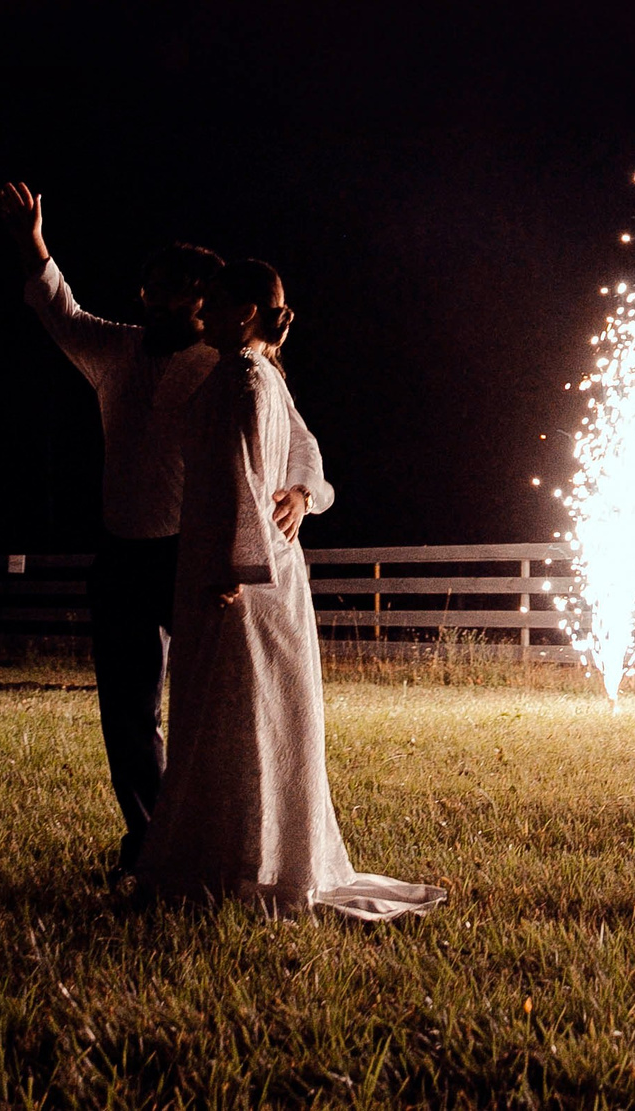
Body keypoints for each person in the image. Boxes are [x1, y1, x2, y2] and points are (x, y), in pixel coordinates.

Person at [136, 259, 445, 921]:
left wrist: (242, 558)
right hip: (240, 572)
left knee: (243, 714)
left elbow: (245, 477)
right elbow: (278, 461)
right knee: (226, 715)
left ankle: (248, 860)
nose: (201, 313)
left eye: (214, 302)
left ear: (244, 312)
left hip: (239, 582)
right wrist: (294, 500)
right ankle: (230, 851)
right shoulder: (246, 375)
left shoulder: (249, 380)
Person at [0, 180, 223, 866]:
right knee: (127, 709)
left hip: (193, 554)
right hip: (122, 554)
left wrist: (301, 492)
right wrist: (33, 241)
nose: (150, 293)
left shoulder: (220, 367)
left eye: (167, 285)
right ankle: (150, 835)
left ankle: (214, 831)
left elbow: (284, 438)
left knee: (211, 702)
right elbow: (61, 311)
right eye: (148, 283)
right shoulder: (118, 352)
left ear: (199, 299)